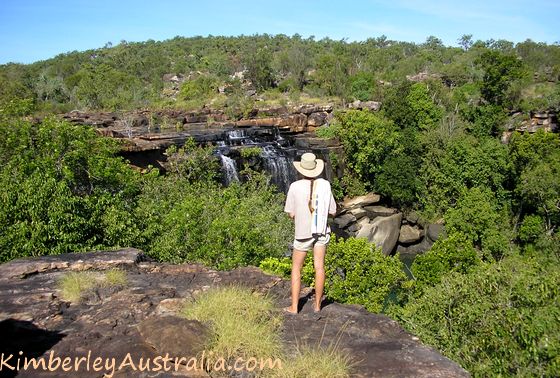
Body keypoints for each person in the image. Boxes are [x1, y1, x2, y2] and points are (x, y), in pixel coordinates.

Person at [283, 152, 336, 314]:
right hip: (320, 232)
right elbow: (333, 211)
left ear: (302, 170)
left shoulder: (294, 187)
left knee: (296, 268)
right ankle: (318, 305)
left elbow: (290, 213)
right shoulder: (325, 185)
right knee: (319, 267)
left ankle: (294, 307)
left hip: (302, 233)